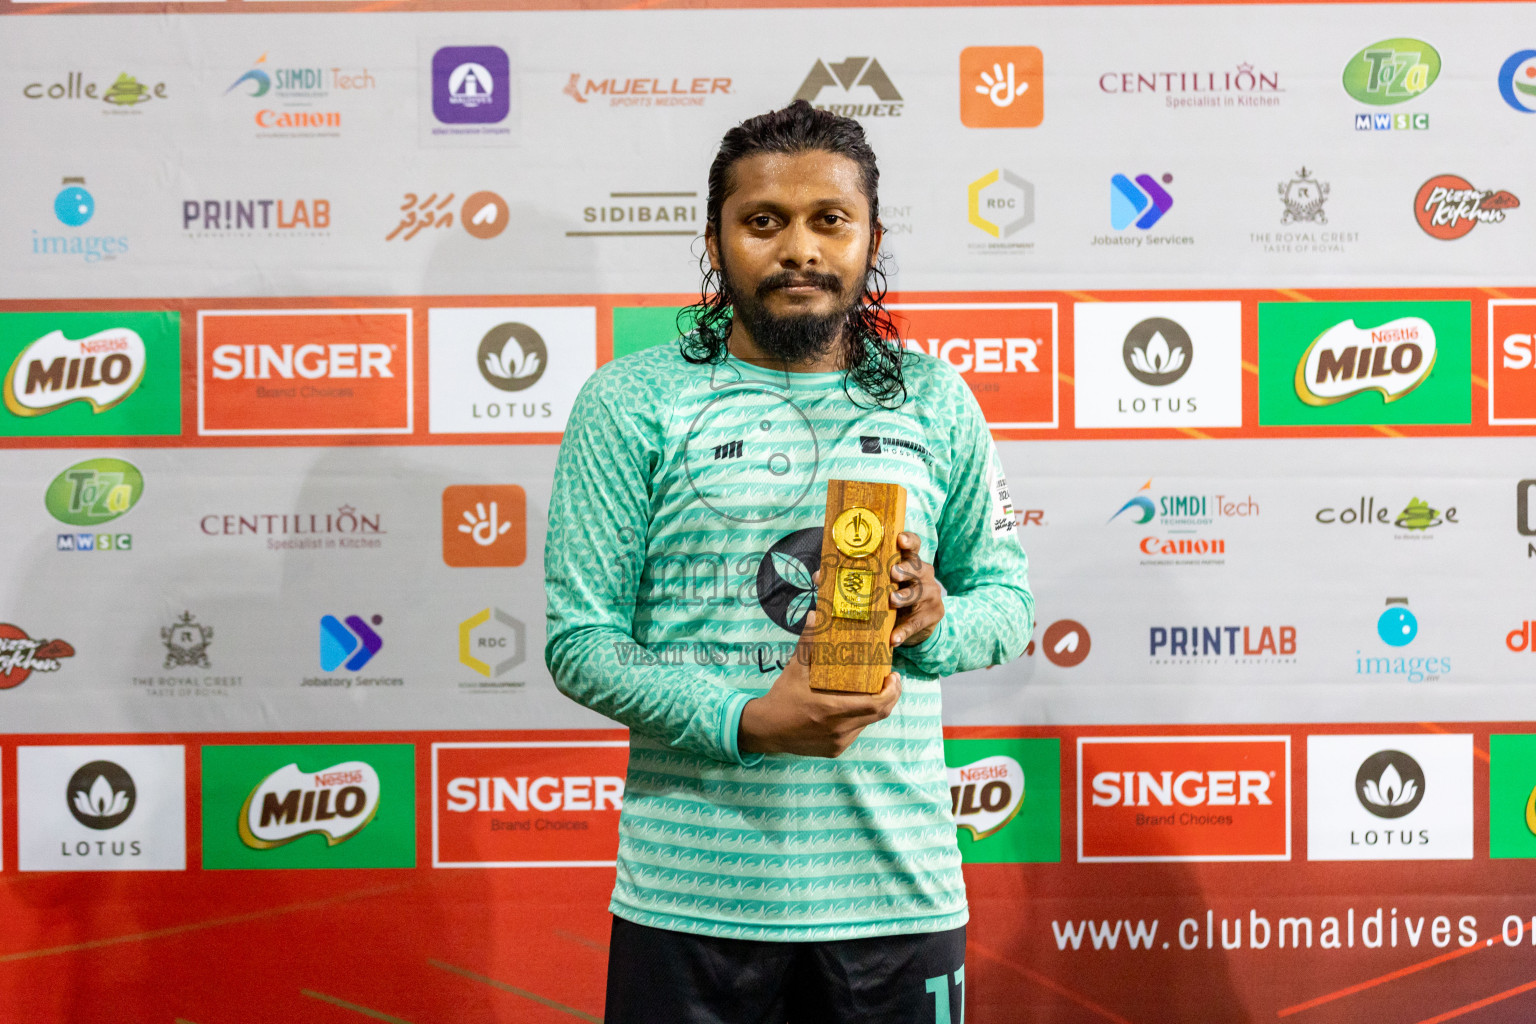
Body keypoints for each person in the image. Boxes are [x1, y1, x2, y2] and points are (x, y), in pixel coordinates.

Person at [544, 100, 1034, 1024]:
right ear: (715, 240)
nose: (799, 248)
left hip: (895, 894)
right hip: (692, 897)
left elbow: (1006, 601)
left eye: (829, 220)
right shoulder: (630, 402)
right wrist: (748, 720)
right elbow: (581, 642)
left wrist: (933, 619)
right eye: (764, 221)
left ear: (871, 238)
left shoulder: (933, 397)